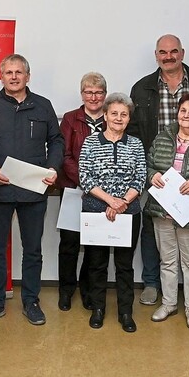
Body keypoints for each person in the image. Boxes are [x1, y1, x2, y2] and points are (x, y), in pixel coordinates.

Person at [128, 34, 189, 309]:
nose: (168, 56)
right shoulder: (142, 87)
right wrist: (147, 170)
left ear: (182, 53)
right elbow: (134, 131)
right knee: (155, 230)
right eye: (162, 52)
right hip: (158, 170)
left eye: (173, 51)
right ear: (156, 55)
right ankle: (151, 283)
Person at [0, 54, 63, 326]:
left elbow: (56, 141)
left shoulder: (43, 106)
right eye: (8, 72)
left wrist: (53, 168)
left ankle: (31, 301)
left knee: (32, 249)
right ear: (1, 77)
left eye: (18, 72)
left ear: (27, 76)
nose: (13, 76)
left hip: (34, 191)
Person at [145, 92, 189, 329]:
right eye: (183, 110)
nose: (186, 115)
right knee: (167, 261)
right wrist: (151, 175)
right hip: (162, 211)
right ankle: (169, 303)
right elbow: (147, 164)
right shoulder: (163, 138)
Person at [79, 93, 146, 333]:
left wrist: (122, 203)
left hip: (129, 212)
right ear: (105, 115)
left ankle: (125, 312)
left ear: (129, 118)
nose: (118, 118)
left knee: (124, 265)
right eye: (114, 113)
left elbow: (140, 177)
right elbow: (84, 177)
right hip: (96, 211)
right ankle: (98, 309)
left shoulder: (136, 144)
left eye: (124, 114)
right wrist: (110, 201)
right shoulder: (90, 142)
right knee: (96, 264)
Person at [56, 72, 107, 312]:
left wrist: (101, 188)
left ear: (104, 95)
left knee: (94, 243)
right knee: (69, 244)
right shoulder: (69, 119)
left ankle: (88, 290)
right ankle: (66, 291)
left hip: (103, 195)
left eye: (98, 92)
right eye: (89, 92)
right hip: (74, 190)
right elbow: (64, 155)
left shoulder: (113, 118)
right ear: (82, 94)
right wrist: (85, 181)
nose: (94, 97)